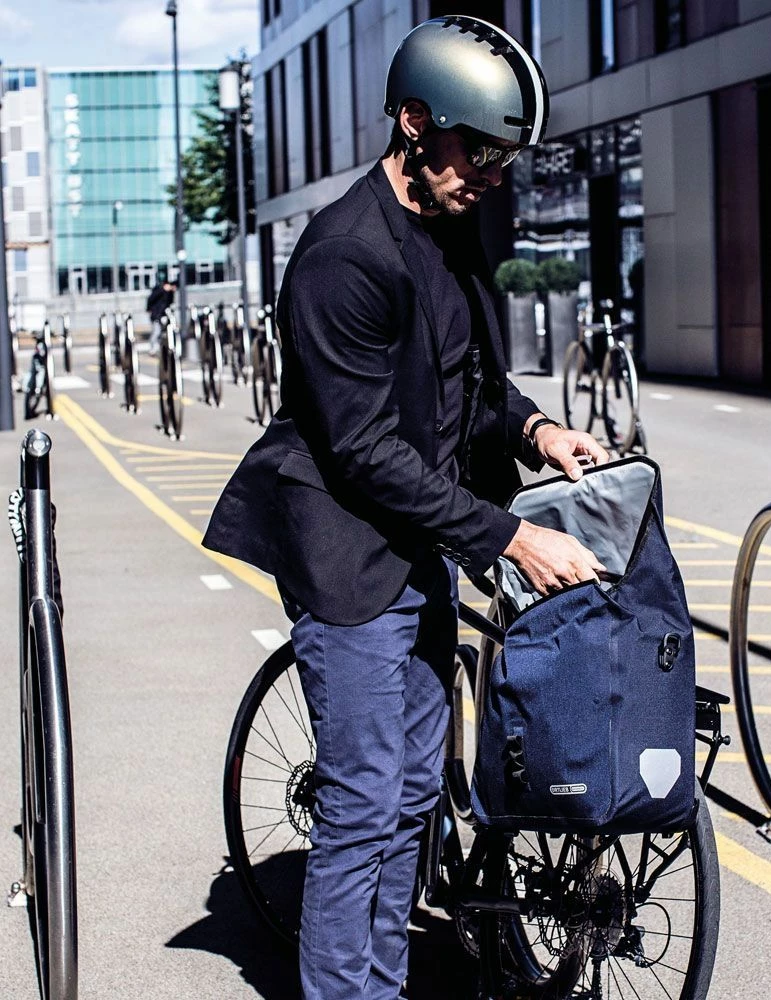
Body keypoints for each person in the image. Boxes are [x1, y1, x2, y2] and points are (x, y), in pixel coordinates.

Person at [203, 15, 609, 999]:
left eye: (508, 160)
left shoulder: (450, 224)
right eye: (483, 152)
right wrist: (512, 536)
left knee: (412, 801)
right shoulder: (342, 256)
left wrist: (535, 431)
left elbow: (467, 382)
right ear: (415, 123)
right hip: (349, 558)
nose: (494, 177)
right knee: (362, 808)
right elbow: (363, 451)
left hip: (420, 544)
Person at [145, 279, 175, 353]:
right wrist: (149, 309)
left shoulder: (168, 293)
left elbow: (170, 302)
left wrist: (171, 292)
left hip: (163, 315)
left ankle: (161, 347)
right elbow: (150, 299)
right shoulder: (159, 291)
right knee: (156, 331)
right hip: (156, 315)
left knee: (163, 332)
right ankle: (152, 348)